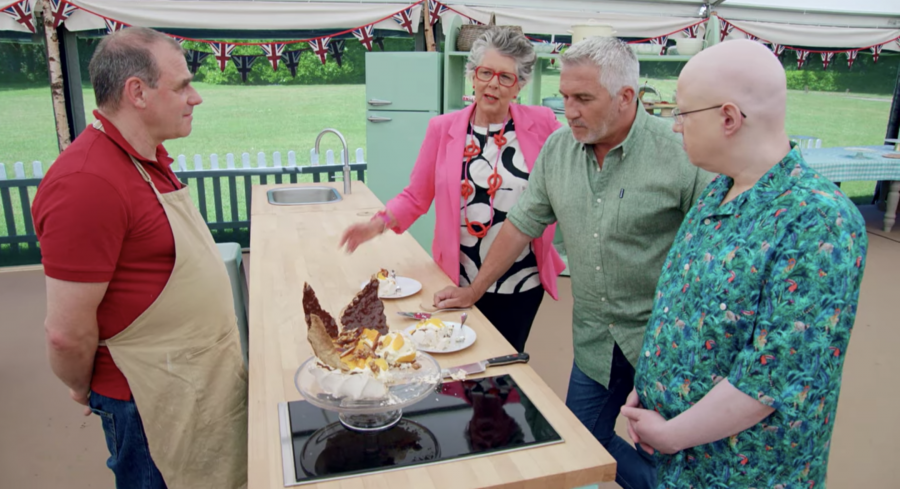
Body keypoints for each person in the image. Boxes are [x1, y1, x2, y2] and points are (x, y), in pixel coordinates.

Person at [434, 36, 712, 489]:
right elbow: (520, 225)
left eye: (583, 98)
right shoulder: (560, 150)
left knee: (673, 450)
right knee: (578, 443)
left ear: (626, 97)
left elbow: (715, 251)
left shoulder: (680, 153)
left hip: (662, 342)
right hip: (595, 338)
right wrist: (474, 289)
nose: (570, 111)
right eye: (564, 97)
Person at [620, 40, 868, 488]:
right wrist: (653, 389)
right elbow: (684, 306)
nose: (675, 127)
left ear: (729, 118)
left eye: (682, 113)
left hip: (740, 472)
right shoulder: (719, 192)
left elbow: (773, 375)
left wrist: (673, 433)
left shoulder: (817, 219)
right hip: (682, 459)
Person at [33, 27, 247, 489]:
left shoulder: (147, 159)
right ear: (138, 93)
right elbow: (65, 334)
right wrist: (81, 384)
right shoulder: (87, 183)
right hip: (148, 403)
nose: (196, 97)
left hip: (197, 381)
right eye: (182, 85)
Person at [339, 27, 564, 353]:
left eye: (505, 77)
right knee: (456, 360)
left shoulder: (542, 124)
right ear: (472, 75)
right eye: (485, 73)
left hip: (520, 282)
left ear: (521, 85)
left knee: (503, 365)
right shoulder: (443, 129)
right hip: (457, 279)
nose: (493, 84)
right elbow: (416, 195)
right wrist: (376, 224)